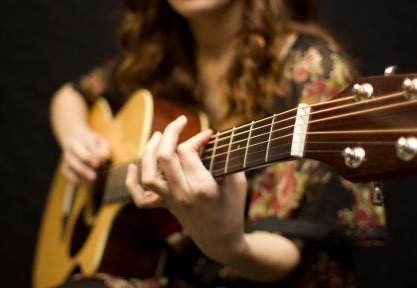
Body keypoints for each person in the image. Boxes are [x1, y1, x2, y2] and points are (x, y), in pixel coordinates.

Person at [50, 0, 388, 287]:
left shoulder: (314, 67)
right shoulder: (163, 58)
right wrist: (77, 139)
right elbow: (71, 95)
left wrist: (227, 243)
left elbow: (284, 256)